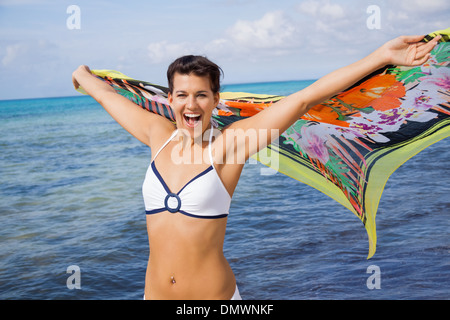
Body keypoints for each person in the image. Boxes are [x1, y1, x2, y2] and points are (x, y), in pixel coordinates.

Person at [72, 34, 440, 300]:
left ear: (216, 99)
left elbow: (304, 99)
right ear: (170, 99)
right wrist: (83, 75)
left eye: (201, 94)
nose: (191, 104)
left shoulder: (232, 144)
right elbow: (105, 94)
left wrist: (380, 56)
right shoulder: (157, 135)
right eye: (182, 94)